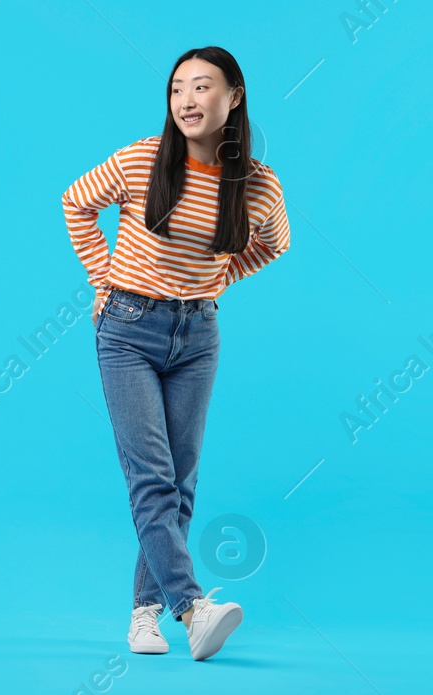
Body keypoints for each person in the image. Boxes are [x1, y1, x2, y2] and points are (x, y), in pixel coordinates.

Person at [63, 45, 289, 661]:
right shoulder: (143, 159)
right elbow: (76, 201)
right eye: (177, 89)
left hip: (198, 336)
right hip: (127, 328)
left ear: (233, 97)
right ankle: (193, 609)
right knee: (152, 477)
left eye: (202, 87)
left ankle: (145, 615)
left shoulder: (259, 184)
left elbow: (274, 243)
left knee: (181, 482)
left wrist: (215, 281)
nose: (187, 101)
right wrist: (102, 279)